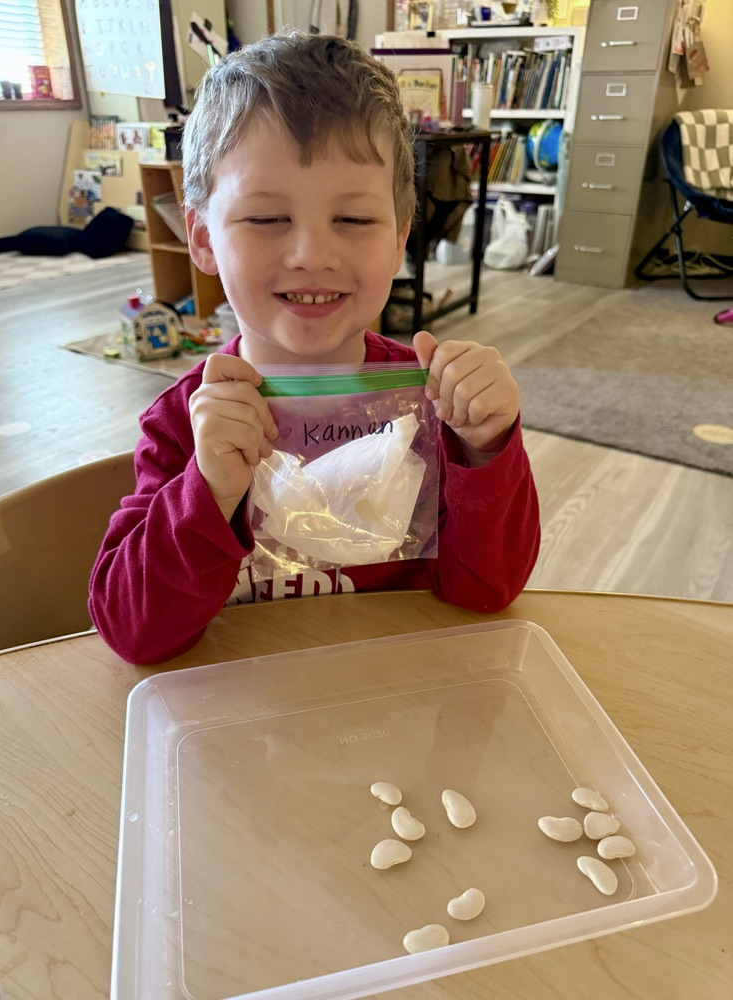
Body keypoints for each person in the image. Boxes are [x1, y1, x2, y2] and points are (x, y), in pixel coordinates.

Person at [89, 30, 540, 665]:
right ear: (202, 239)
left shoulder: (432, 407)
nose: (312, 256)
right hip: (242, 721)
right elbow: (132, 630)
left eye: (354, 220)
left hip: (392, 707)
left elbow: (487, 591)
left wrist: (484, 447)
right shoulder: (187, 423)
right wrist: (208, 491)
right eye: (267, 219)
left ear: (399, 237)